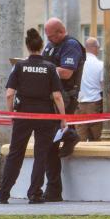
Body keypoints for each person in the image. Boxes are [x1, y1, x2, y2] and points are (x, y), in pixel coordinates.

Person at [0, 29, 66, 204]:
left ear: (27, 46)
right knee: (40, 154)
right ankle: (35, 193)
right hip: (45, 114)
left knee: (15, 153)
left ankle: (3, 193)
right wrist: (63, 118)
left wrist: (12, 113)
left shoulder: (19, 66)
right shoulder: (50, 68)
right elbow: (57, 96)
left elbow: (9, 94)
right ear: (41, 46)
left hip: (24, 113)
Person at [41, 18, 84, 201]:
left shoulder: (71, 45)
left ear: (61, 31)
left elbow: (67, 72)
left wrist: (44, 69)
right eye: (47, 37)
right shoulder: (51, 46)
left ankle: (70, 134)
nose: (49, 40)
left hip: (65, 96)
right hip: (51, 97)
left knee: (51, 143)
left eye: (51, 36)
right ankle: (69, 133)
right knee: (49, 145)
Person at [76, 37, 105, 142]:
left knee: (80, 139)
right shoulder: (100, 65)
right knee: (97, 138)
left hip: (79, 104)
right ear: (95, 48)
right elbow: (104, 87)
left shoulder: (78, 63)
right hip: (95, 104)